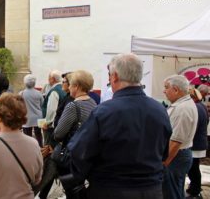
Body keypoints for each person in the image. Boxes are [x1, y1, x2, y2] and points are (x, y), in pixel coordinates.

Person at [68, 53, 172, 199]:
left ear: (114, 76)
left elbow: (80, 152)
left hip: (110, 189)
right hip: (151, 190)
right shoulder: (160, 110)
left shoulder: (103, 112)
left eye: (109, 75)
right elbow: (164, 152)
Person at [54, 70, 97, 197]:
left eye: (71, 85)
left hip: (72, 156)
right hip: (87, 155)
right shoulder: (93, 103)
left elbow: (58, 134)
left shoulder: (73, 106)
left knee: (71, 191)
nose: (69, 88)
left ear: (77, 86)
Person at [163, 75, 198, 199]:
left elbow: (176, 141)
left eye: (166, 88)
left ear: (176, 90)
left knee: (171, 193)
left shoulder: (182, 109)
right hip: (178, 156)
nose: (164, 91)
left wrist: (164, 163)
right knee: (175, 191)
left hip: (175, 157)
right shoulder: (183, 105)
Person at [186, 88, 208, 199]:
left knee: (193, 169)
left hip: (195, 143)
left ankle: (195, 191)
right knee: (194, 168)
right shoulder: (201, 106)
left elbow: (193, 126)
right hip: (199, 142)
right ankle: (194, 189)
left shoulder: (196, 108)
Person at [20, 74, 44, 147]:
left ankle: (29, 148)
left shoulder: (21, 93)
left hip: (27, 117)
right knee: (39, 135)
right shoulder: (39, 93)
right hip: (38, 118)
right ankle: (41, 148)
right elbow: (42, 105)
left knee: (27, 136)